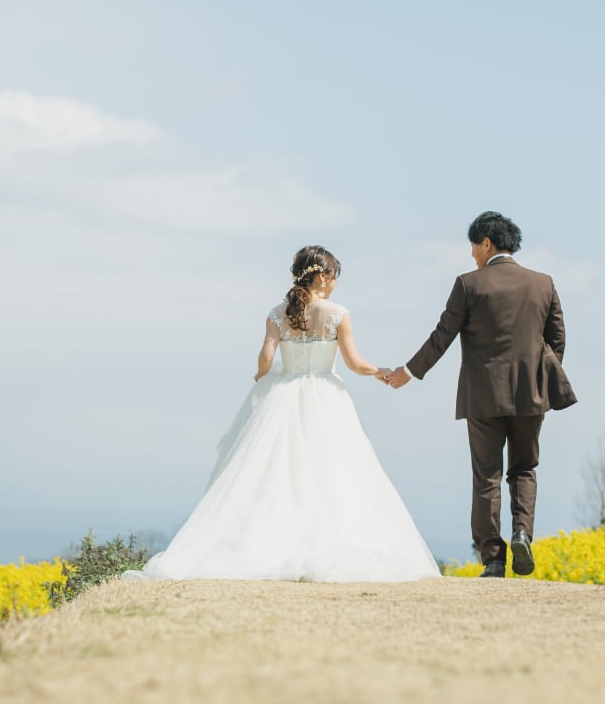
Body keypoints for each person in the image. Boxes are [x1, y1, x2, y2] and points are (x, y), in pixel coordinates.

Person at [126, 246, 440, 583]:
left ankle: (270, 542)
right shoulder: (338, 314)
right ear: (323, 277)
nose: (336, 283)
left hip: (284, 394)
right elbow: (354, 363)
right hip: (326, 397)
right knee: (333, 470)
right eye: (334, 277)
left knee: (272, 470)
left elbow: (266, 356)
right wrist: (381, 371)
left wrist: (261, 376)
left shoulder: (278, 314)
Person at [384, 211, 576, 578]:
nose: (472, 253)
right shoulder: (543, 283)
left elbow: (442, 336)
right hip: (531, 395)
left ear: (486, 244)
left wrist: (408, 372)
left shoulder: (468, 284)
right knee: (524, 468)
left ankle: (493, 559)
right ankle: (522, 533)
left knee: (487, 476)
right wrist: (539, 379)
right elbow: (558, 340)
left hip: (483, 395)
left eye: (473, 246)